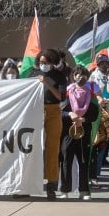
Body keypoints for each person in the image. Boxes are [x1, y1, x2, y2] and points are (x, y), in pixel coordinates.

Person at [29, 49, 67, 200]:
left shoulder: (59, 76)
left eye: (45, 63)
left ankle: (51, 186)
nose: (42, 65)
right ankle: (27, 184)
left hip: (53, 111)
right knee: (31, 147)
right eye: (40, 62)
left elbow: (61, 96)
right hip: (35, 111)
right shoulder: (32, 74)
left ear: (52, 63)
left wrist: (46, 83)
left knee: (52, 148)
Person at [59, 65, 100, 200]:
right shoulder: (67, 92)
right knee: (66, 161)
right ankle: (65, 190)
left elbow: (95, 114)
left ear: (87, 78)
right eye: (77, 75)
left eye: (83, 75)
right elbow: (60, 111)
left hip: (84, 132)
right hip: (68, 133)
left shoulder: (91, 94)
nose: (80, 77)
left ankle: (84, 191)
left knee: (84, 161)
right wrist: (70, 114)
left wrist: (84, 119)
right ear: (73, 76)